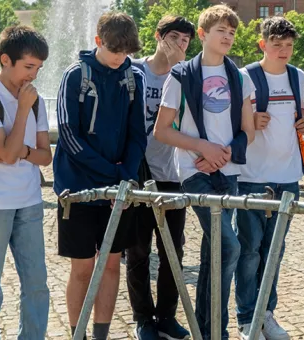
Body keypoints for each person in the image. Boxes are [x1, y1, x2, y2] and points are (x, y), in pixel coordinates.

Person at [152, 5, 258, 339]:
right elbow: (162, 130)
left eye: (232, 32)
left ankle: (206, 329)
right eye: (220, 31)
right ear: (202, 35)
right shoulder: (181, 75)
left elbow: (248, 131)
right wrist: (203, 148)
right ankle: (218, 332)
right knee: (229, 247)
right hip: (194, 171)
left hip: (228, 172)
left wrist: (222, 152)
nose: (227, 37)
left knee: (215, 252)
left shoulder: (241, 78)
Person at [52, 11, 148, 340]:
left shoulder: (134, 76)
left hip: (118, 188)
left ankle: (101, 335)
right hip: (77, 188)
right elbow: (67, 134)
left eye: (127, 52)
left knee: (110, 263)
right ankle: (77, 335)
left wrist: (126, 178)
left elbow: (139, 135)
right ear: (97, 42)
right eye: (114, 51)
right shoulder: (74, 75)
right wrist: (113, 174)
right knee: (82, 267)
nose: (121, 57)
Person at [0, 24, 53, 339]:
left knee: (37, 286)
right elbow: (9, 153)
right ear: (5, 60)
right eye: (29, 66)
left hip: (28, 200)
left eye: (39, 68)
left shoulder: (37, 100)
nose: (34, 75)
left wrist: (23, 150)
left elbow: (45, 157)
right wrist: (22, 112)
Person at [233, 16, 304, 340]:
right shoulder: (245, 76)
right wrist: (250, 120)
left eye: (289, 45)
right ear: (263, 44)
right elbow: (229, 123)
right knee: (249, 250)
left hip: (288, 176)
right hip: (253, 176)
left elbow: (301, 119)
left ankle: (266, 314)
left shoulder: (297, 76)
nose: (284, 51)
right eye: (277, 45)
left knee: (274, 251)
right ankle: (246, 319)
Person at [125, 14, 194, 340]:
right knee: (138, 250)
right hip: (139, 174)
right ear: (158, 35)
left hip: (172, 175)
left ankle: (166, 316)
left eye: (186, 41)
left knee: (173, 251)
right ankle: (143, 319)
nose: (180, 44)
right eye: (175, 37)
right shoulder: (134, 69)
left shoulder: (185, 76)